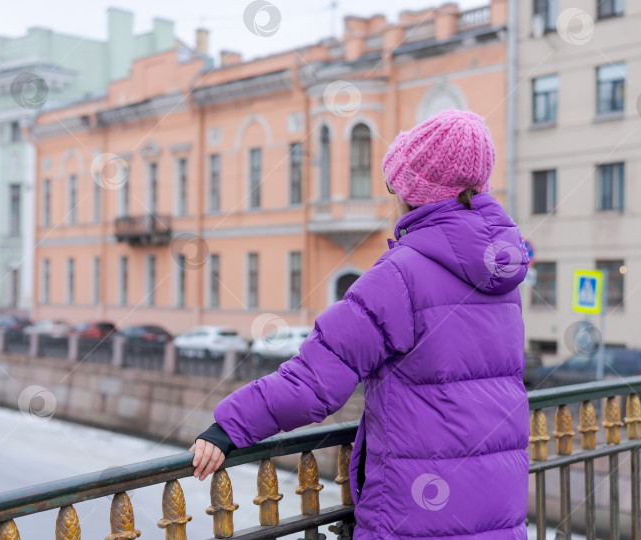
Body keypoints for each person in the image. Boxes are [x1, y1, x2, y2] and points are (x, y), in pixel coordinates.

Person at [192, 109, 530, 539]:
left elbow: (315, 380)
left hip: (414, 519)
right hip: (497, 510)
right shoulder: (502, 274)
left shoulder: (400, 276)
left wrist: (230, 425)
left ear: (411, 194)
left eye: (393, 186)